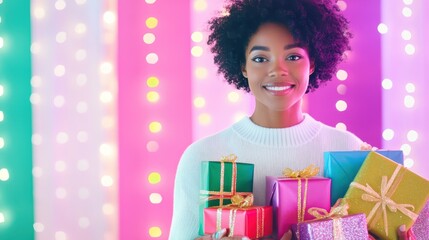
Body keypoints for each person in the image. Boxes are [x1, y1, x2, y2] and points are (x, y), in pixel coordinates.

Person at [169, 0, 413, 239]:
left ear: (313, 63)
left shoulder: (348, 149)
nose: (278, 70)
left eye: (293, 57)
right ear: (243, 66)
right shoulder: (202, 156)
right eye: (260, 59)